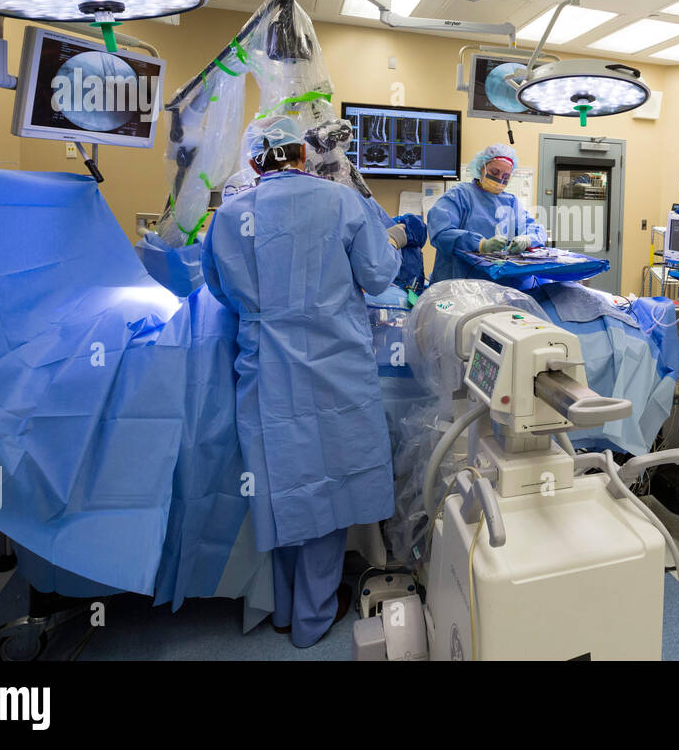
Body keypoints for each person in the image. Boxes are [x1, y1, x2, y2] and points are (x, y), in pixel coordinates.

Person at [201, 116, 401, 647]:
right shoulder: (341, 203)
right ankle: (313, 617)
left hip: (266, 372)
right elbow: (381, 276)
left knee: (282, 485)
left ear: (252, 162)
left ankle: (286, 608)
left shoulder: (230, 216)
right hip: (336, 367)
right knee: (329, 488)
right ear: (303, 155)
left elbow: (220, 291)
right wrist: (394, 240)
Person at [427, 143, 546, 281]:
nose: (499, 179)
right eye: (494, 173)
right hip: (458, 283)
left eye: (506, 177)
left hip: (500, 286)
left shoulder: (511, 202)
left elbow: (536, 230)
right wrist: (480, 244)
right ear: (481, 168)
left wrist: (527, 240)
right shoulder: (460, 195)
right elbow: (441, 232)